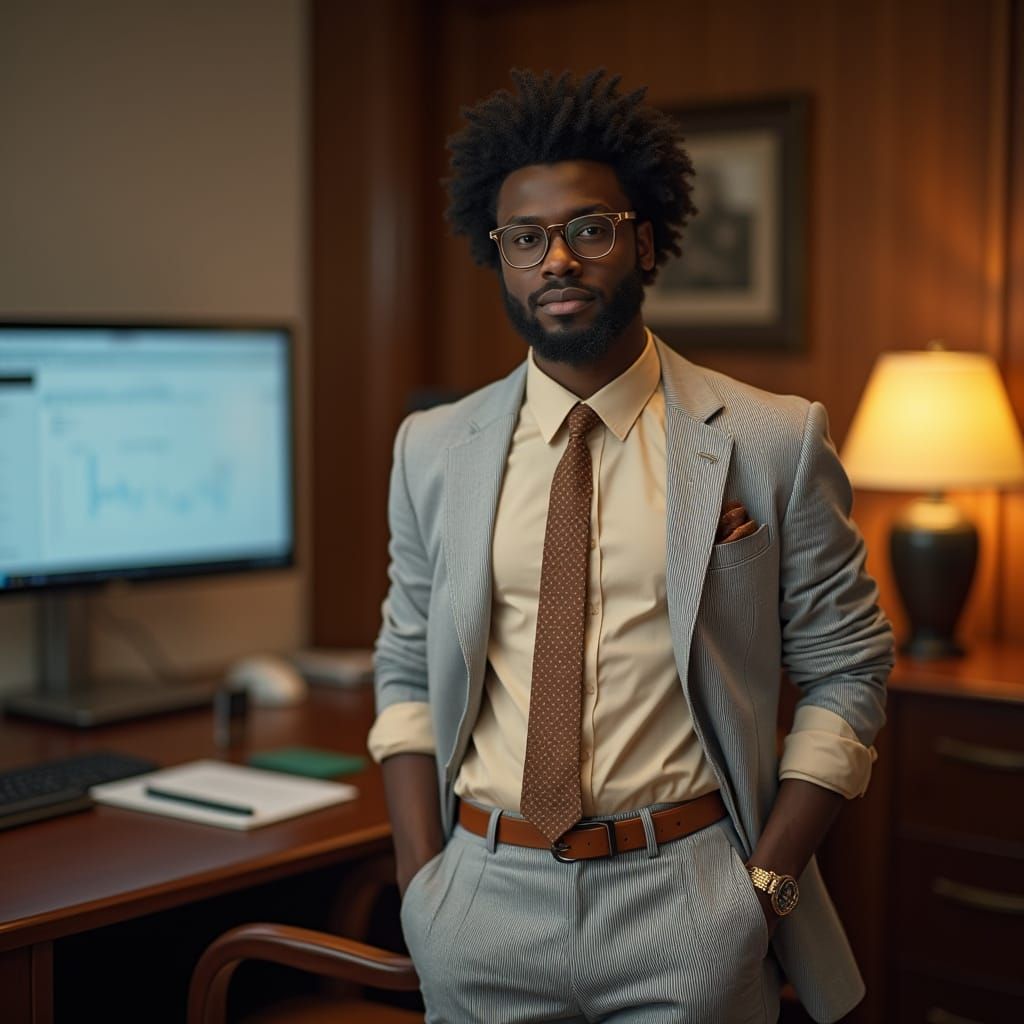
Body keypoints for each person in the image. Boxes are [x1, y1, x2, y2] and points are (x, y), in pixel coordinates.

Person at [369, 68, 893, 1024]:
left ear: (644, 241)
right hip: (482, 901)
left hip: (689, 899)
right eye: (525, 239)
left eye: (588, 229)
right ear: (500, 258)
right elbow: (406, 660)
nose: (556, 260)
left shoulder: (773, 439)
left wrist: (762, 893)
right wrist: (421, 881)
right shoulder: (434, 447)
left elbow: (848, 666)